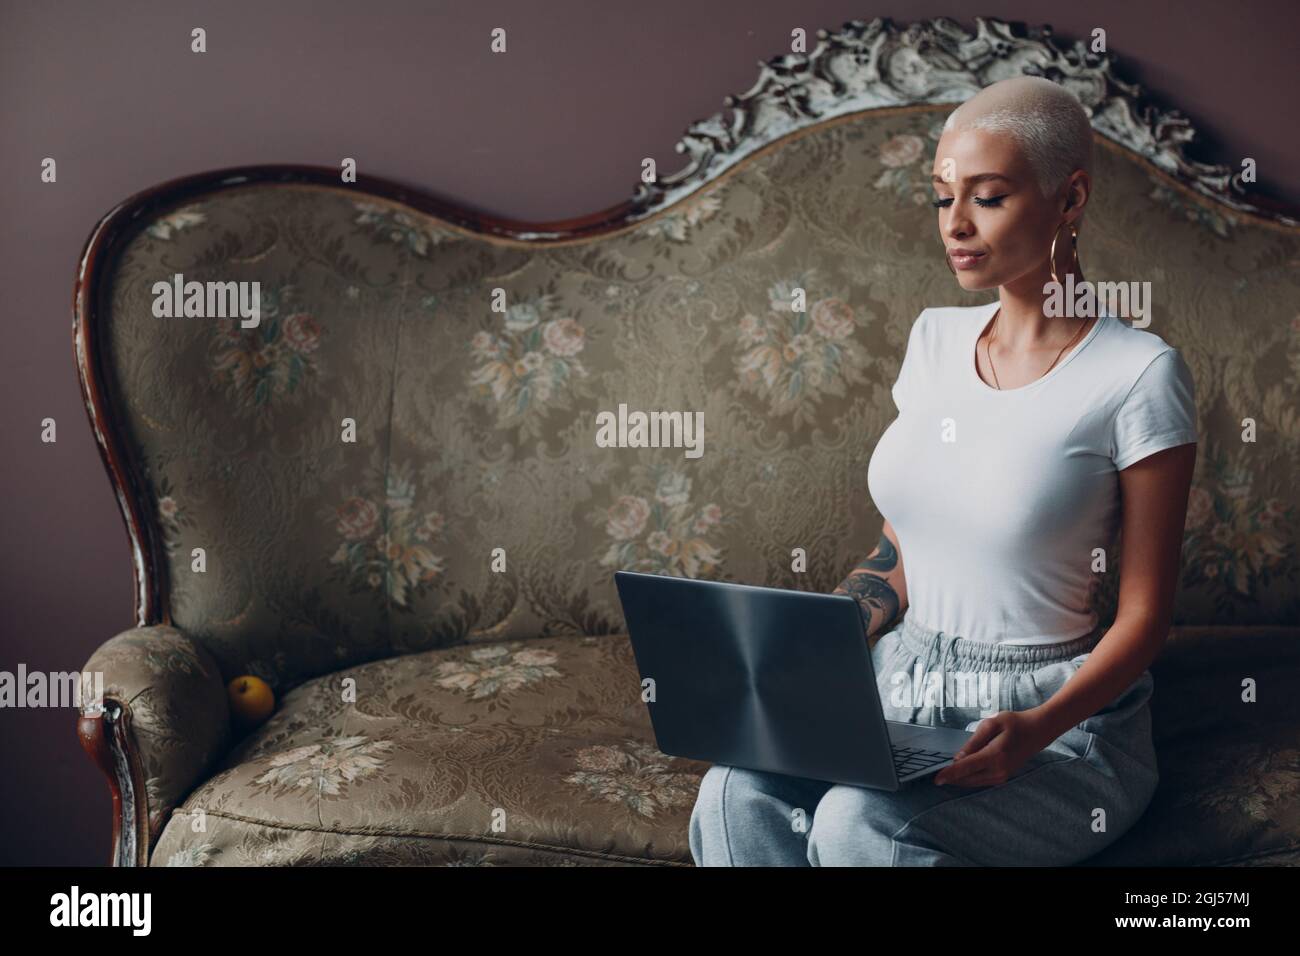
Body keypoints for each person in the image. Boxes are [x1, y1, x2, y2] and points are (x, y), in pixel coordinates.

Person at [689, 76, 1199, 866]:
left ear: (1070, 199)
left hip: (1051, 718)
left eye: (988, 198)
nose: (955, 226)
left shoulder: (1139, 375)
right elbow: (907, 539)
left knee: (858, 823)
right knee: (735, 792)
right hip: (902, 688)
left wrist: (1036, 729)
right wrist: (812, 650)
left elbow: (1144, 620)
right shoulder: (932, 342)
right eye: (941, 197)